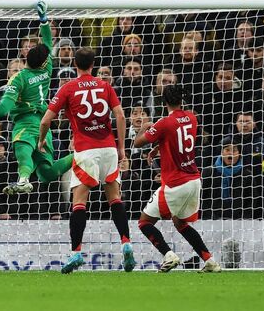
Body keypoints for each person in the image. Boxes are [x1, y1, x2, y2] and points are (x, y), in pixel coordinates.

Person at [38, 47, 134, 274]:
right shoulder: (105, 85)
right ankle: (126, 243)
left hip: (85, 151)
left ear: (74, 63)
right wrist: (121, 149)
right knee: (115, 199)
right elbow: (120, 115)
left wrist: (42, 141)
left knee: (79, 202)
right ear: (94, 64)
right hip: (109, 148)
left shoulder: (68, 87)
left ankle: (76, 253)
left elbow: (45, 121)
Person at [0, 2, 72, 195]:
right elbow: (48, 42)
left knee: (23, 151)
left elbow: (2, 110)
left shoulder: (18, 79)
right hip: (45, 125)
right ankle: (81, 155)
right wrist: (44, 21)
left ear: (26, 57)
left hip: (26, 123)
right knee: (46, 173)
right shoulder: (48, 68)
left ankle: (23, 179)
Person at [133, 84, 222, 273]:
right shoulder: (192, 118)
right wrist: (159, 147)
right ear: (182, 100)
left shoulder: (164, 123)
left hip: (175, 183)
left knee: (144, 222)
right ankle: (209, 260)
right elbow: (179, 140)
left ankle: (168, 255)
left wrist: (144, 127)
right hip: (194, 180)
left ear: (163, 102)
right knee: (180, 223)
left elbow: (137, 142)